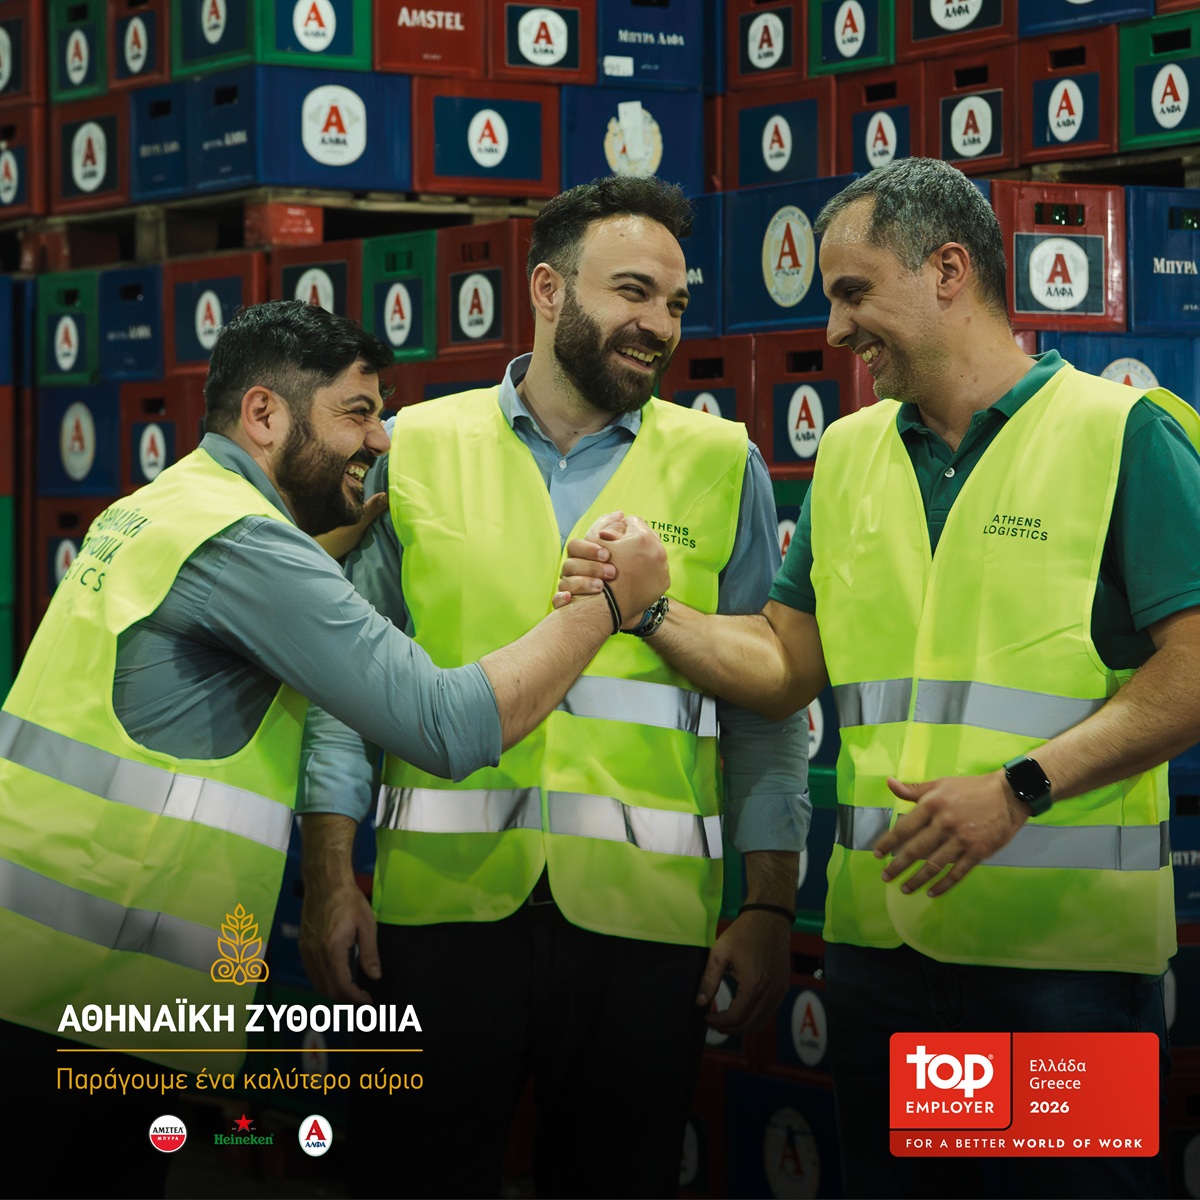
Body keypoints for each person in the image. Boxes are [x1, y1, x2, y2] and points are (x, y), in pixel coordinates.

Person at [560, 158, 1200, 1198]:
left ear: (949, 270)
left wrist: (1020, 788)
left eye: (854, 292)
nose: (834, 329)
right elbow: (785, 667)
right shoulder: (851, 453)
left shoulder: (1123, 436)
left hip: (1063, 974)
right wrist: (653, 611)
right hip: (886, 964)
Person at [0, 299, 669, 1199]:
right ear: (265, 415)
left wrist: (319, 548)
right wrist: (609, 604)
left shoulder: (166, 505)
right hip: (77, 997)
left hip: (46, 974)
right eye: (357, 413)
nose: (382, 439)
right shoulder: (246, 547)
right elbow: (445, 724)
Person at [297, 176, 810, 1199]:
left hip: (646, 934)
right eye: (633, 292)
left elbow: (768, 702)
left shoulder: (723, 463)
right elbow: (345, 688)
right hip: (437, 925)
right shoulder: (417, 448)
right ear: (547, 288)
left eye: (674, 302)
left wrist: (768, 903)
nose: (659, 324)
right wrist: (328, 880)